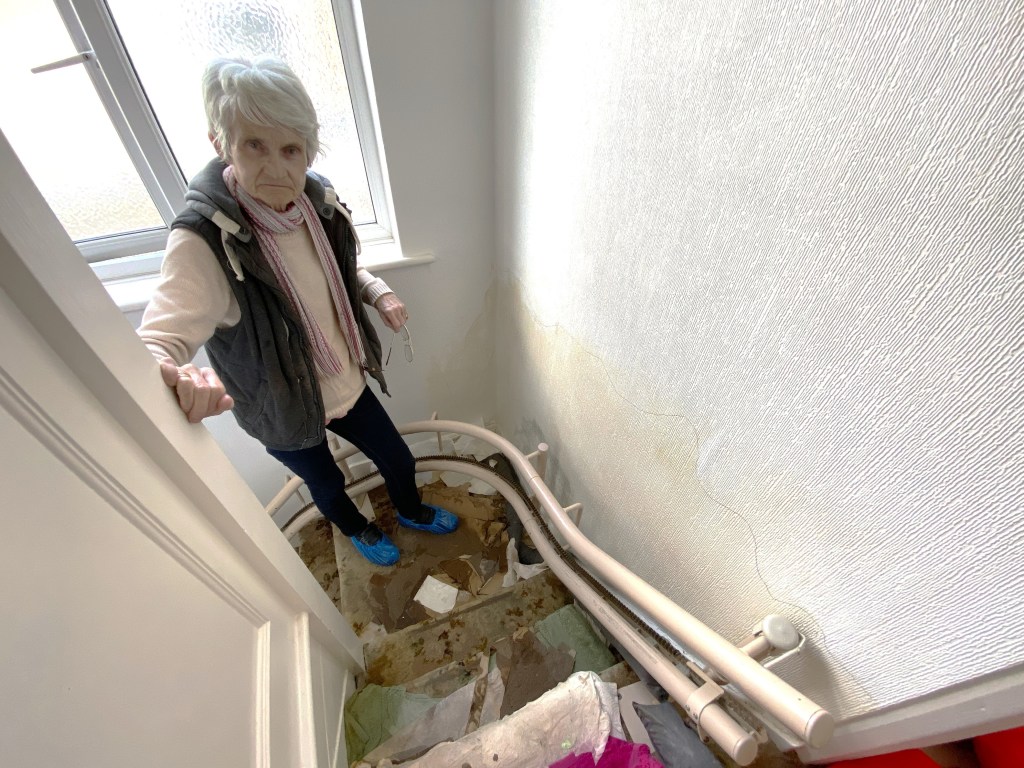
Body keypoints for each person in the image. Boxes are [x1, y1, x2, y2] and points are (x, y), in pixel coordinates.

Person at [138, 55, 457, 567]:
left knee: (396, 456)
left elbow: (340, 267)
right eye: (254, 146)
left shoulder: (318, 203)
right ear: (222, 145)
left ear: (307, 151)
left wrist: (377, 292)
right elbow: (156, 339)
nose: (275, 169)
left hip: (345, 381)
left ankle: (412, 511)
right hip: (281, 407)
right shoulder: (205, 240)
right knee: (325, 483)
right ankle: (358, 530)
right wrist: (173, 377)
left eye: (291, 149)